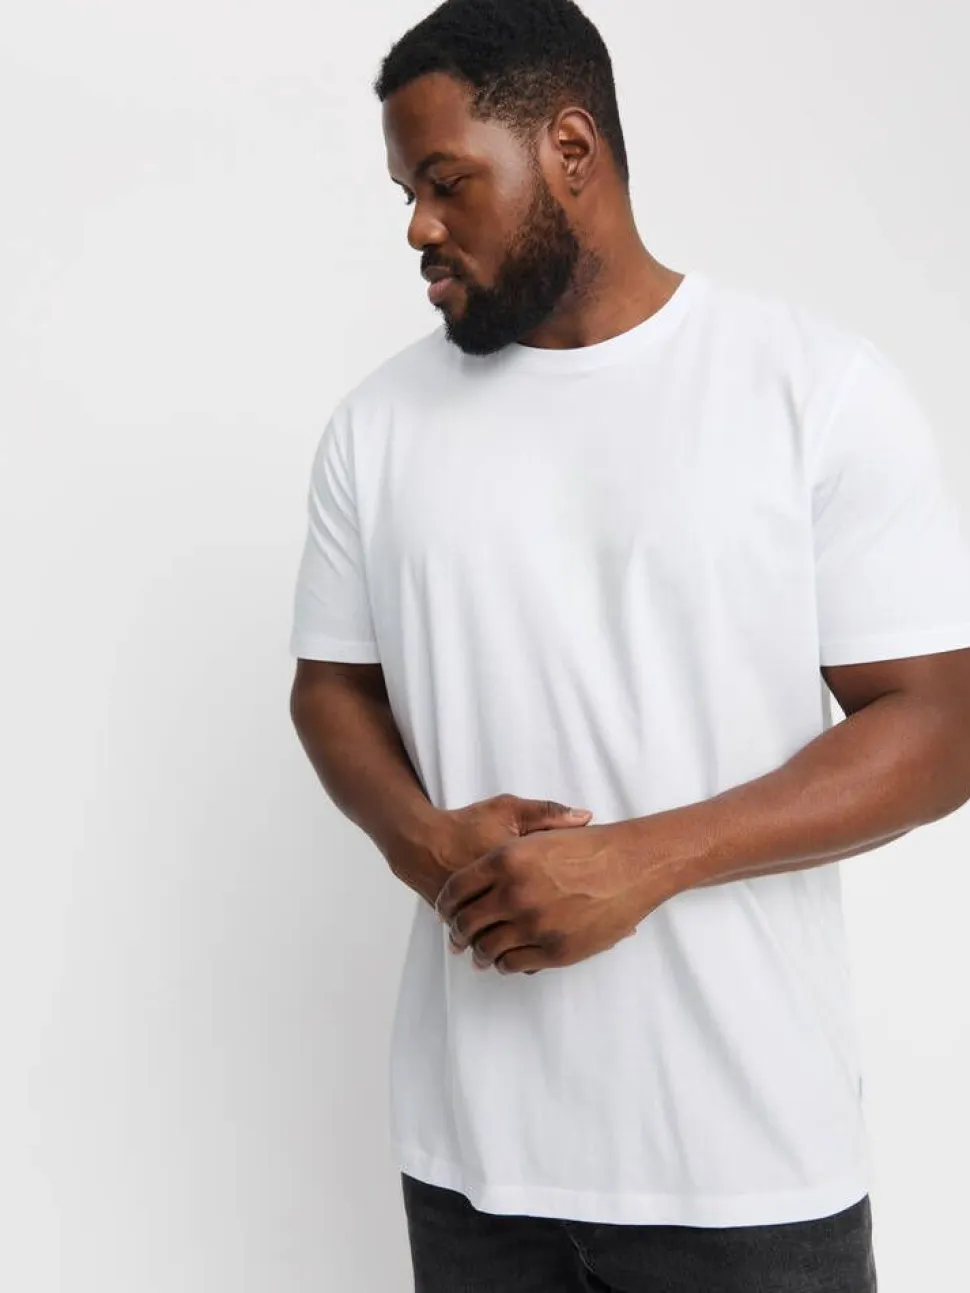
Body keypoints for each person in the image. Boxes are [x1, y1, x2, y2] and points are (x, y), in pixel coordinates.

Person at [288, 1, 970, 1288]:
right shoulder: (378, 427)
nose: (419, 227)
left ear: (570, 149)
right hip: (472, 1166)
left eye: (445, 182)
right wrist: (420, 841)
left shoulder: (810, 390)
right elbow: (330, 688)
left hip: (747, 1171)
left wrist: (643, 861)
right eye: (405, 193)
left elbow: (939, 725)